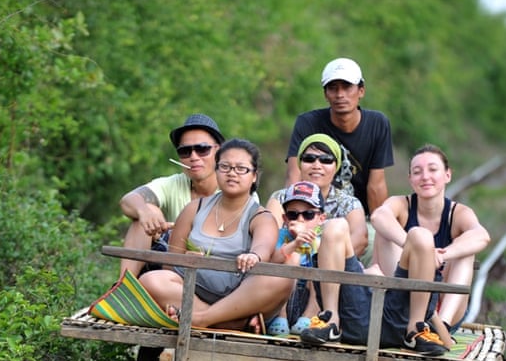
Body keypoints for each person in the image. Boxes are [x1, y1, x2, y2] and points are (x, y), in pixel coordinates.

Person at [300, 144, 491, 357]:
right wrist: (414, 246)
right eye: (418, 172)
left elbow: (481, 235)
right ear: (410, 179)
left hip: (432, 309)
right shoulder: (400, 204)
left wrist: (441, 254)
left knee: (459, 250)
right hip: (395, 296)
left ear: (447, 174)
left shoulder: (458, 213)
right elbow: (379, 216)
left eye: (433, 169)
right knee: (337, 226)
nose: (425, 176)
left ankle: (427, 327)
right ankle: (330, 318)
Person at [139, 139, 294, 332]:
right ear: (217, 170)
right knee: (150, 280)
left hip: (241, 295)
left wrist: (253, 256)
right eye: (225, 167)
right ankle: (228, 323)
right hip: (192, 290)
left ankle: (201, 319)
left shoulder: (261, 216)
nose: (232, 173)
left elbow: (263, 247)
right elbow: (170, 263)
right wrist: (185, 258)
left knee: (281, 279)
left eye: (241, 169)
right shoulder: (194, 209)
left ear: (254, 176)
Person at [266, 133, 367, 335]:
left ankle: (317, 315)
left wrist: (325, 252)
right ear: (300, 163)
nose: (317, 164)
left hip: (332, 271)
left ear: (336, 166)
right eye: (309, 158)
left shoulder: (348, 202)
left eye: (326, 159)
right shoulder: (281, 197)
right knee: (291, 258)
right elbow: (270, 235)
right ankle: (282, 317)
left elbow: (360, 240)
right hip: (289, 264)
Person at [118, 114, 224, 278]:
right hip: (171, 266)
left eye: (202, 149)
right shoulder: (173, 183)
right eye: (185, 151)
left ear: (219, 151)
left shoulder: (235, 187)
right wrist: (145, 213)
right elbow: (128, 200)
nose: (193, 157)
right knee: (147, 210)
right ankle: (123, 287)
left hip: (215, 271)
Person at [285, 58, 394, 218]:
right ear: (325, 94)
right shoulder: (308, 123)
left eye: (347, 87)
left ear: (361, 91)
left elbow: (376, 185)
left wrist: (380, 227)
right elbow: (295, 175)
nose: (340, 94)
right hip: (313, 212)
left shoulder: (377, 123)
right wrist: (297, 219)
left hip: (360, 212)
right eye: (333, 88)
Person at [266, 181, 328, 336]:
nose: (300, 219)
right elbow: (272, 260)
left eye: (308, 215)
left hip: (310, 300)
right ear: (285, 218)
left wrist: (313, 241)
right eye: (293, 214)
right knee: (292, 257)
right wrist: (295, 244)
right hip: (281, 298)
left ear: (321, 218)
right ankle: (281, 317)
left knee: (320, 262)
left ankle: (309, 316)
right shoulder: (280, 235)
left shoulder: (323, 240)